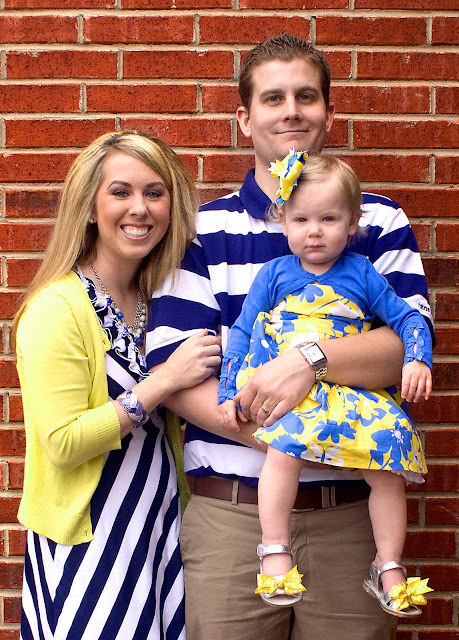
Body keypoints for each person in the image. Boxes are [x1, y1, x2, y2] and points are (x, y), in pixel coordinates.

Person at [146, 34, 435, 640]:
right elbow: (172, 375)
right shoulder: (203, 230)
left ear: (328, 111)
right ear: (244, 117)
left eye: (306, 96)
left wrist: (311, 358)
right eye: (273, 98)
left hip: (350, 520)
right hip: (234, 518)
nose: (291, 111)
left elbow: (400, 347)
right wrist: (294, 438)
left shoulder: (376, 222)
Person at [13, 130, 222, 640]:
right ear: (90, 206)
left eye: (155, 193)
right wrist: (163, 381)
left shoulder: (160, 300)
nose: (140, 208)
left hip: (156, 528)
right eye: (121, 192)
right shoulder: (56, 308)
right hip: (89, 542)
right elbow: (63, 444)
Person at [217, 153, 433, 616]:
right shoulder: (274, 274)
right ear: (283, 223)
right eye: (301, 219)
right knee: (284, 451)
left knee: (388, 463)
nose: (314, 231)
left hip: (348, 389)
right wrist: (228, 392)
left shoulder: (363, 273)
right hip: (290, 393)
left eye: (329, 219)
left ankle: (388, 563)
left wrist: (417, 358)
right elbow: (242, 331)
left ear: (353, 223)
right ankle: (275, 550)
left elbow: (408, 318)